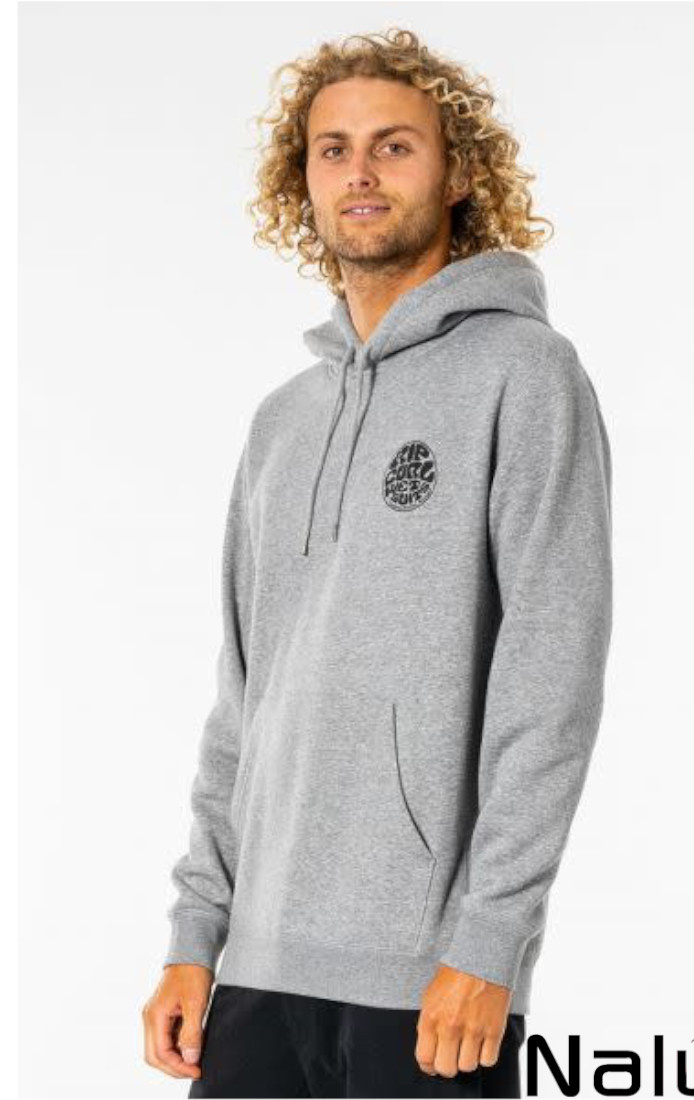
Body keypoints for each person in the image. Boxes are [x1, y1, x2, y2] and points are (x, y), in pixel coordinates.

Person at [142, 27, 613, 1099]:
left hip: (429, 979)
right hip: (253, 972)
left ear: (458, 174)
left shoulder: (526, 375)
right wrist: (194, 932)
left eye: (394, 146)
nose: (359, 172)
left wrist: (489, 940)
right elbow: (243, 699)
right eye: (333, 149)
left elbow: (550, 679)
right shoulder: (282, 421)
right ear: (301, 181)